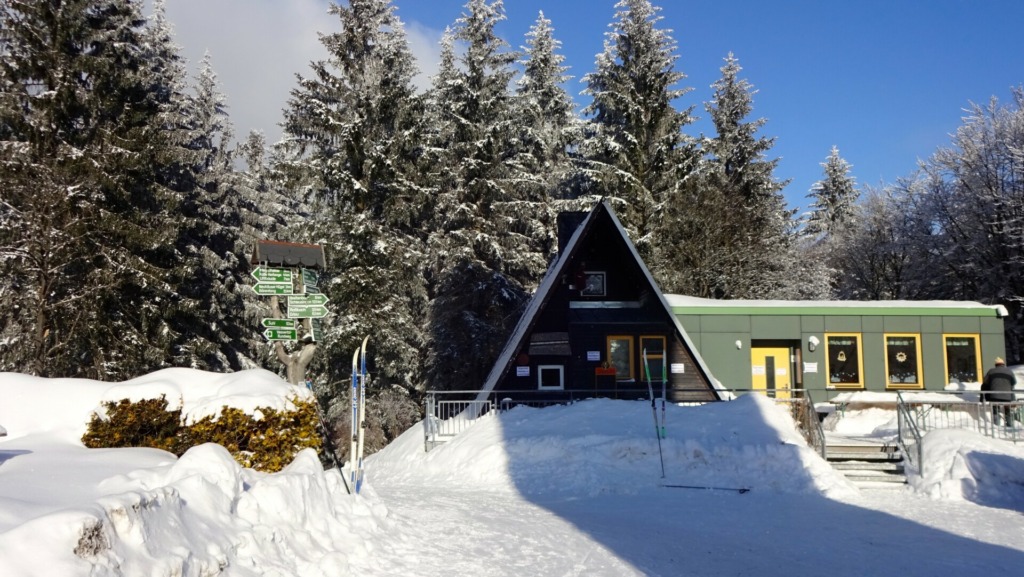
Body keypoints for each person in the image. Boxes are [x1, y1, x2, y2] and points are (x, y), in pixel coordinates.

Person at [981, 357, 1017, 426]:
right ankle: (1009, 425)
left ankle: (996, 425)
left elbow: (985, 382)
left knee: (995, 410)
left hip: (994, 396)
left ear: (996, 365)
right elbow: (1014, 382)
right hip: (1007, 396)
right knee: (1007, 410)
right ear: (1003, 364)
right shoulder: (1009, 371)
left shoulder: (991, 371)